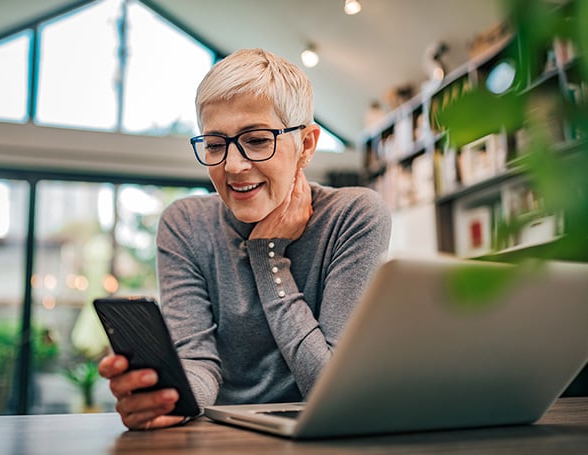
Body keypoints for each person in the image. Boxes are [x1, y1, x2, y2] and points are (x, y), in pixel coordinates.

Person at [98, 48, 392, 430]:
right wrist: (168, 396)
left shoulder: (354, 217)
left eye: (256, 140)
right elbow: (199, 364)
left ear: (306, 145)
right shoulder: (186, 224)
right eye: (215, 145)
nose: (233, 166)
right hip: (221, 438)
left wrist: (267, 255)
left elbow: (330, 388)